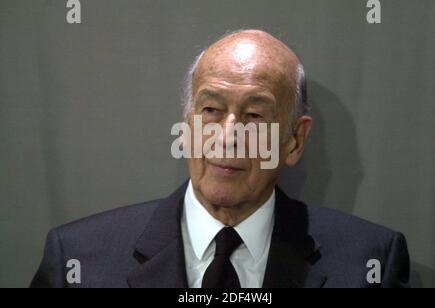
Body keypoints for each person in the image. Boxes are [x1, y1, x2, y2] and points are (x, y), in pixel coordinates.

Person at [30, 30, 410, 288]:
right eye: (211, 109)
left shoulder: (368, 263)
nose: (227, 138)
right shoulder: (77, 260)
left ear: (295, 140)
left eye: (255, 116)